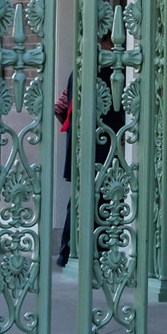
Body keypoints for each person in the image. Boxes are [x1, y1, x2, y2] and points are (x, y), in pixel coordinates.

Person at [53, 51, 126, 268]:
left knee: (79, 196)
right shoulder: (113, 72)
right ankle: (98, 250)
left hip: (81, 143)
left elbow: (61, 108)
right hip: (102, 144)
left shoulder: (81, 69)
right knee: (102, 196)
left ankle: (68, 251)